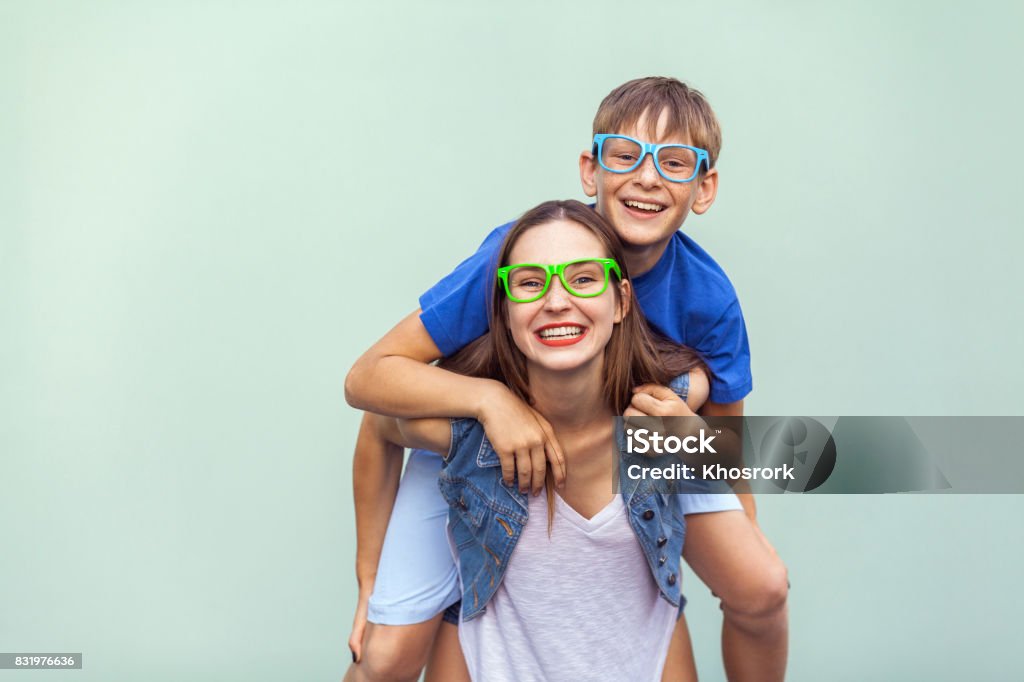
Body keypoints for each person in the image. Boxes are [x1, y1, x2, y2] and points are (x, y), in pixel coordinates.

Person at [345, 78, 789, 681]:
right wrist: (489, 399)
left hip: (638, 441)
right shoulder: (518, 257)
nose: (647, 178)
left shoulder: (708, 298)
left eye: (674, 162)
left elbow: (727, 441)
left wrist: (737, 525)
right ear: (591, 169)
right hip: (486, 441)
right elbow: (373, 397)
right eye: (625, 155)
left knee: (762, 583)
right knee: (389, 655)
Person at [366, 200, 732, 681]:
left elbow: (825, 459)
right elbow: (378, 418)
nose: (556, 301)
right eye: (531, 283)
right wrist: (367, 578)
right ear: (504, 309)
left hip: (644, 654)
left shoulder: (671, 401)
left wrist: (701, 445)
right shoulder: (469, 435)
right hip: (495, 659)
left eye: (583, 278)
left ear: (621, 301)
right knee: (381, 660)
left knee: (762, 588)